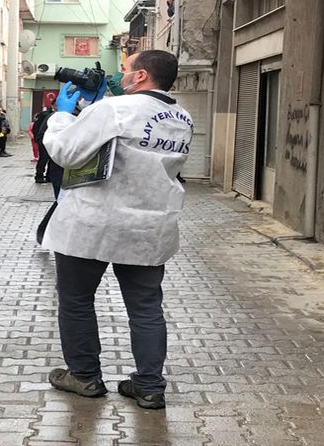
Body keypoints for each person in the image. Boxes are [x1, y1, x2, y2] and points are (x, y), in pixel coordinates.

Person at [42, 50, 193, 409]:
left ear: (140, 76)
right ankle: (149, 385)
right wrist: (95, 109)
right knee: (145, 308)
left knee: (77, 301)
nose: (119, 75)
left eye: (125, 70)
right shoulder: (182, 117)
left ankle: (84, 376)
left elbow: (64, 152)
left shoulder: (113, 110)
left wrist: (63, 115)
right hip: (149, 225)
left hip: (93, 223)